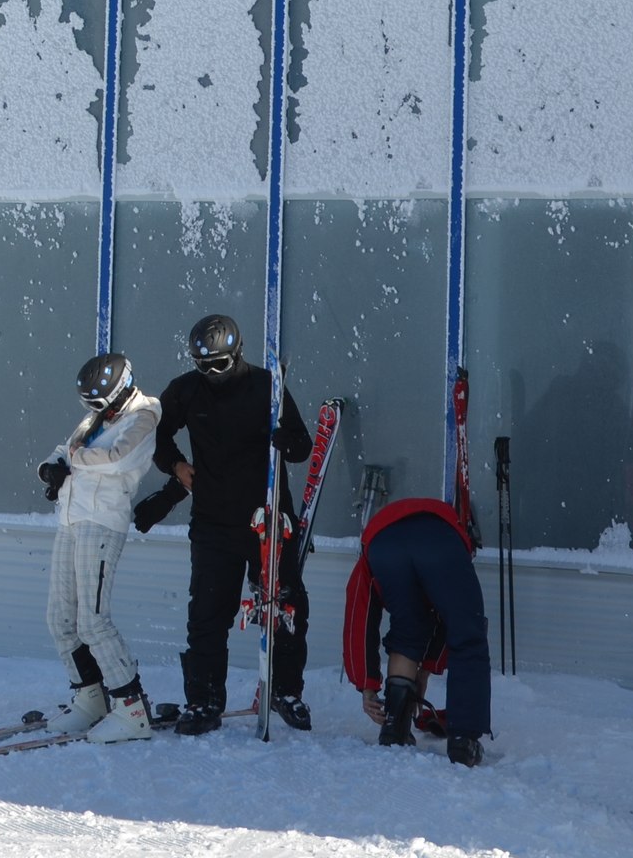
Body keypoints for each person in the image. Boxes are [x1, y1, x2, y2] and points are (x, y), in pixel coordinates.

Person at [151, 313, 312, 735]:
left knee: (286, 607)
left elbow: (302, 445)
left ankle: (286, 690)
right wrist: (176, 465)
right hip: (213, 522)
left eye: (220, 364)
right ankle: (204, 700)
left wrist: (286, 441)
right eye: (204, 365)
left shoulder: (267, 385)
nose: (212, 374)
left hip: (268, 520)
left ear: (237, 355)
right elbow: (155, 434)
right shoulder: (185, 390)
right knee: (207, 614)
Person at [35, 351, 161, 743]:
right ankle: (90, 698)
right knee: (60, 617)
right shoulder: (97, 418)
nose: (96, 411)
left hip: (102, 521)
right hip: (71, 518)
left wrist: (74, 459)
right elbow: (66, 448)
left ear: (121, 390)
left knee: (93, 621)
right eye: (90, 404)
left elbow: (118, 459)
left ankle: (131, 708)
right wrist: (51, 467)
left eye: (100, 403)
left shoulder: (143, 415)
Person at [344, 494, 491, 767]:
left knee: (407, 629)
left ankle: (395, 726)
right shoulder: (449, 532)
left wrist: (366, 684)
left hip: (384, 545)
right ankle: (463, 741)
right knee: (468, 634)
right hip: (440, 541)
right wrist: (428, 668)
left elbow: (358, 616)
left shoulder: (373, 550)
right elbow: (453, 618)